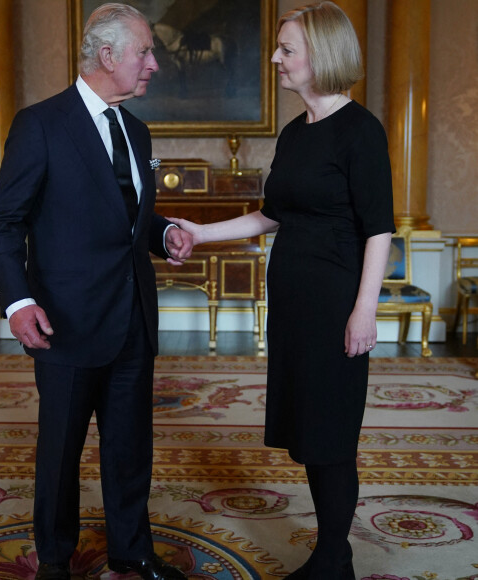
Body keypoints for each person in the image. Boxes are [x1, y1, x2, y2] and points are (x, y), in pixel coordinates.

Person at [168, 3, 395, 578]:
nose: (275, 58)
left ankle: (333, 557)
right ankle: (331, 553)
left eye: (286, 49)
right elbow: (270, 216)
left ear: (321, 55)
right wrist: (200, 232)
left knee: (332, 431)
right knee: (308, 427)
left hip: (336, 302)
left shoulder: (360, 131)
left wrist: (364, 311)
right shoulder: (295, 133)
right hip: (293, 303)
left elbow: (379, 228)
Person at [0, 4, 192, 580]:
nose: (153, 64)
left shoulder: (137, 128)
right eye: (144, 53)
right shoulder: (41, 123)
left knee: (130, 451)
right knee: (60, 453)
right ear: (108, 56)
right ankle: (55, 560)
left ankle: (132, 551)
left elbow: (125, 214)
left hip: (132, 319)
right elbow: (5, 222)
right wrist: (19, 301)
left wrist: (164, 231)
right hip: (65, 321)